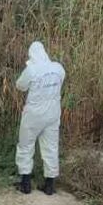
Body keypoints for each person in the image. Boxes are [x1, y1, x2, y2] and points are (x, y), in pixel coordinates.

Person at [14, 41, 65, 195]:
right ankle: (50, 185)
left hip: (34, 114)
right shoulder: (58, 68)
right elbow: (61, 82)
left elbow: (20, 86)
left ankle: (25, 183)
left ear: (32, 55)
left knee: (26, 145)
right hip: (53, 113)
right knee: (51, 147)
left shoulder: (31, 69)